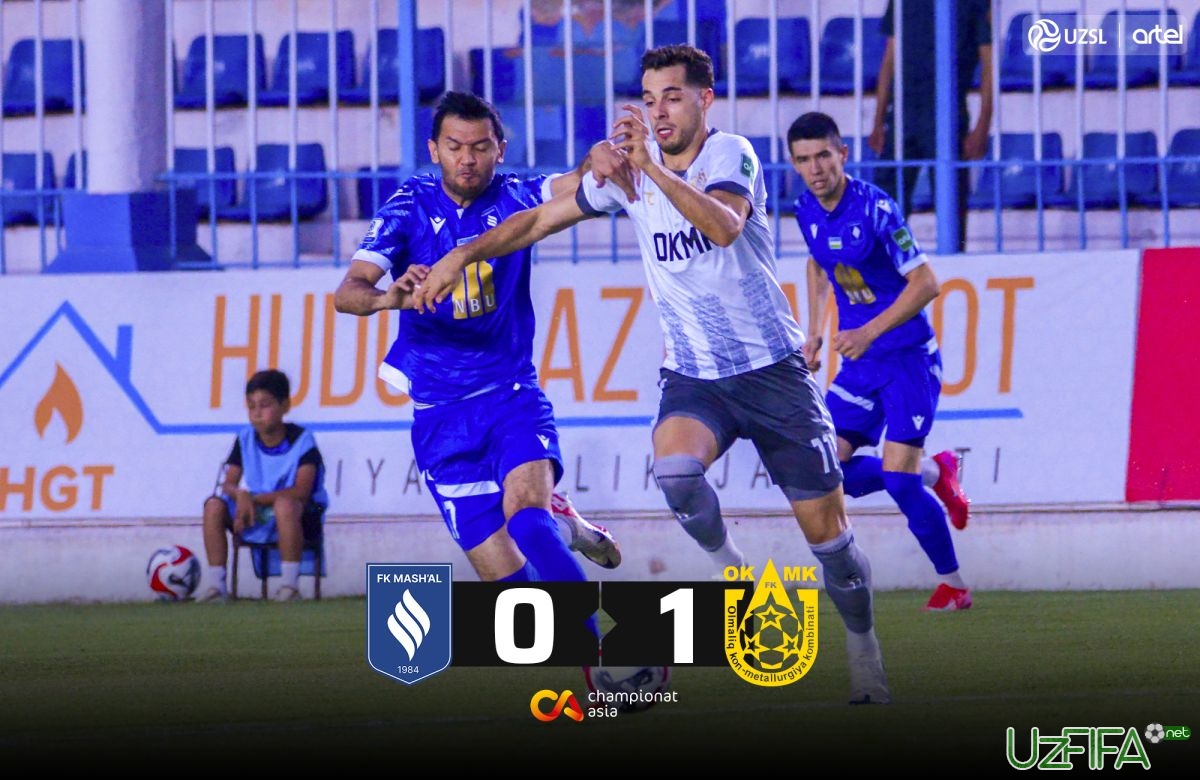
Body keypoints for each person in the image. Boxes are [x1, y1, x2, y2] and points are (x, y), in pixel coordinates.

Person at [414, 46, 892, 705]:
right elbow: (539, 219)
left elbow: (723, 227)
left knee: (832, 545)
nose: (658, 110)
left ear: (705, 99)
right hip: (695, 376)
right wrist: (464, 253)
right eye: (648, 98)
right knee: (674, 473)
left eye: (672, 96)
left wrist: (650, 169)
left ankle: (865, 652)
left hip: (773, 372)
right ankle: (736, 575)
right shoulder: (630, 171)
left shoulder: (730, 155)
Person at [333, 91, 625, 612]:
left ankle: (599, 648)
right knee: (515, 595)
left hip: (509, 395)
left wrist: (595, 157)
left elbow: (575, 182)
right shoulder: (408, 205)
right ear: (434, 150)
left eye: (480, 147)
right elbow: (347, 293)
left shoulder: (517, 196)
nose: (467, 159)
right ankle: (565, 530)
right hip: (440, 416)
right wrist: (386, 299)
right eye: (455, 147)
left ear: (500, 150)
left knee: (528, 522)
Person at [788, 111, 973, 613]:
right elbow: (817, 263)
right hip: (861, 365)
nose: (815, 169)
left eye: (823, 156)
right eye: (803, 160)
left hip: (908, 361)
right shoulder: (805, 209)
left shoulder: (877, 209)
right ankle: (938, 471)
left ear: (843, 154)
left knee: (898, 481)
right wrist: (814, 332)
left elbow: (927, 283)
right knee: (828, 472)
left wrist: (867, 331)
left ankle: (954, 584)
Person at [868, 0, 993, 252]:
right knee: (888, 204)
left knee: (950, 204)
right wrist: (878, 120)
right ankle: (891, 263)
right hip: (902, 113)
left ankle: (954, 261)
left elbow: (989, 64)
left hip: (948, 110)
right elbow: (889, 58)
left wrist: (983, 123)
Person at [198, 369, 328, 603]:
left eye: (265, 405)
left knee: (285, 505)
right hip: (256, 509)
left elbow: (301, 491)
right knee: (213, 506)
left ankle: (289, 587)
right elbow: (228, 484)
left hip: (299, 513)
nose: (257, 413)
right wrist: (240, 495)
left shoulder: (302, 440)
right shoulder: (245, 438)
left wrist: (252, 499)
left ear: (285, 406)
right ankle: (217, 588)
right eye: (251, 406)